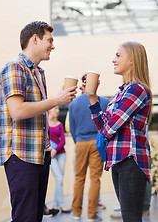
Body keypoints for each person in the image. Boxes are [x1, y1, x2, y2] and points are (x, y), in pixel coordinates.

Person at [0, 21, 77, 222]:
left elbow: (36, 110)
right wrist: (56, 100)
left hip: (39, 154)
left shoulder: (38, 72)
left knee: (35, 216)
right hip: (21, 155)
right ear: (35, 39)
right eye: (50, 40)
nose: (53, 46)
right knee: (25, 217)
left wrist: (58, 98)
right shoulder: (14, 67)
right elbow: (18, 111)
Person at [86, 41, 152, 222]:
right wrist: (92, 97)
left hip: (131, 160)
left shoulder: (137, 90)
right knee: (128, 218)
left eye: (118, 55)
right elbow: (102, 129)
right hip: (119, 161)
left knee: (131, 218)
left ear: (132, 60)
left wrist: (106, 124)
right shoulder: (120, 93)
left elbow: (108, 129)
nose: (113, 59)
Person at [69, 74, 109, 221]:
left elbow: (72, 127)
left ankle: (76, 213)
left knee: (79, 178)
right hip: (97, 143)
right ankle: (91, 214)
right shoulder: (104, 101)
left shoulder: (74, 103)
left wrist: (78, 141)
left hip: (80, 143)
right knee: (95, 179)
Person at [49, 106, 71, 213]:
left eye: (58, 109)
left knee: (60, 180)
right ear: (49, 110)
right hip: (51, 156)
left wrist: (55, 150)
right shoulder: (45, 124)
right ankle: (61, 205)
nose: (57, 111)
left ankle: (55, 205)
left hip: (61, 154)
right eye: (55, 109)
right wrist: (51, 151)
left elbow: (63, 141)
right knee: (59, 178)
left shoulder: (60, 124)